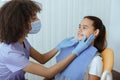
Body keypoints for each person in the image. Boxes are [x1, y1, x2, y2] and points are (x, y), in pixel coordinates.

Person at [0, 0, 95, 80]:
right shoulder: (10, 53)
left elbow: (42, 59)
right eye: (33, 18)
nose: (37, 20)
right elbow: (49, 73)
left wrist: (58, 47)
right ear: (20, 24)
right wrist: (76, 52)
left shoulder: (22, 40)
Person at [44, 16, 107, 80]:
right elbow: (53, 72)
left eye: (84, 28)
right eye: (79, 27)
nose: (80, 30)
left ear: (96, 32)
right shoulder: (70, 50)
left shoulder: (95, 60)